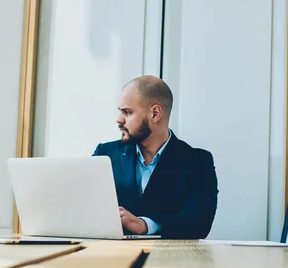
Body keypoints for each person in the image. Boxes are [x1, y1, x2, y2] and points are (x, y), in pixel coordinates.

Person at [93, 75, 218, 239]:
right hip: (108, 258)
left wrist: (145, 225)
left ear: (155, 113)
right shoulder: (106, 154)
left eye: (127, 112)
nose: (119, 119)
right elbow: (87, 208)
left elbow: (200, 223)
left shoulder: (197, 162)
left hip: (169, 260)